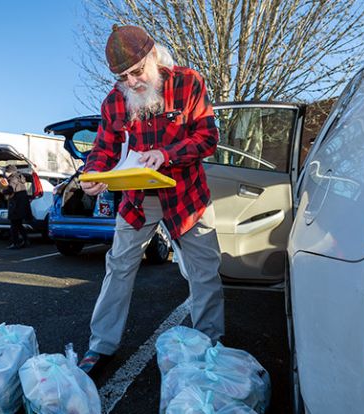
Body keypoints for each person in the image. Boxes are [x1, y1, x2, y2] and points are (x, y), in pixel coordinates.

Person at [77, 25, 224, 376]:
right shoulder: (115, 101)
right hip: (138, 199)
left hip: (187, 195)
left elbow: (208, 137)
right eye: (122, 77)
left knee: (204, 272)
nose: (131, 82)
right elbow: (104, 148)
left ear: (153, 55)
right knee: (119, 266)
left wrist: (167, 153)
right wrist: (93, 175)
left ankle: (211, 346)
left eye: (137, 71)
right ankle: (101, 346)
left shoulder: (188, 83)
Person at [3, 165, 33, 249]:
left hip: (16, 205)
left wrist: (3, 190)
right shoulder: (20, 178)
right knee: (19, 225)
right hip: (22, 205)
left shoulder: (13, 178)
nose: (5, 173)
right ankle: (26, 241)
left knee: (14, 225)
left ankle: (15, 243)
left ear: (10, 171)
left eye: (6, 171)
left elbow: (10, 190)